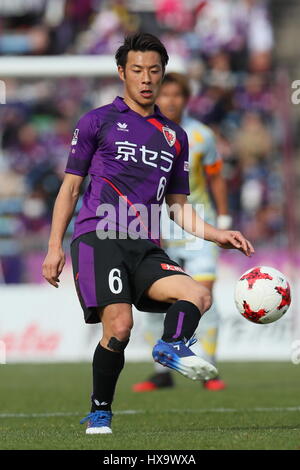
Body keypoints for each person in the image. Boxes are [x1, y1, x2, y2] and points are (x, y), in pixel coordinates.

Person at [42, 33, 254, 435]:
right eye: (137, 70)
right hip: (98, 237)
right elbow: (70, 189)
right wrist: (54, 248)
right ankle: (100, 410)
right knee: (119, 327)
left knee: (198, 294)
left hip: (145, 244)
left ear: (162, 75)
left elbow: (177, 205)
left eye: (154, 71)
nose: (146, 78)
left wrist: (217, 234)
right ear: (122, 72)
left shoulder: (175, 136)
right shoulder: (97, 121)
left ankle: (172, 346)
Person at [133, 72, 232, 393]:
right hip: (156, 223)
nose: (171, 100)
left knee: (204, 298)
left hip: (197, 222)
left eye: (177, 95)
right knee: (151, 301)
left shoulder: (202, 135)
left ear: (186, 98)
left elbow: (215, 177)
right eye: (166, 94)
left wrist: (225, 216)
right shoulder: (143, 132)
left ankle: (209, 367)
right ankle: (161, 371)